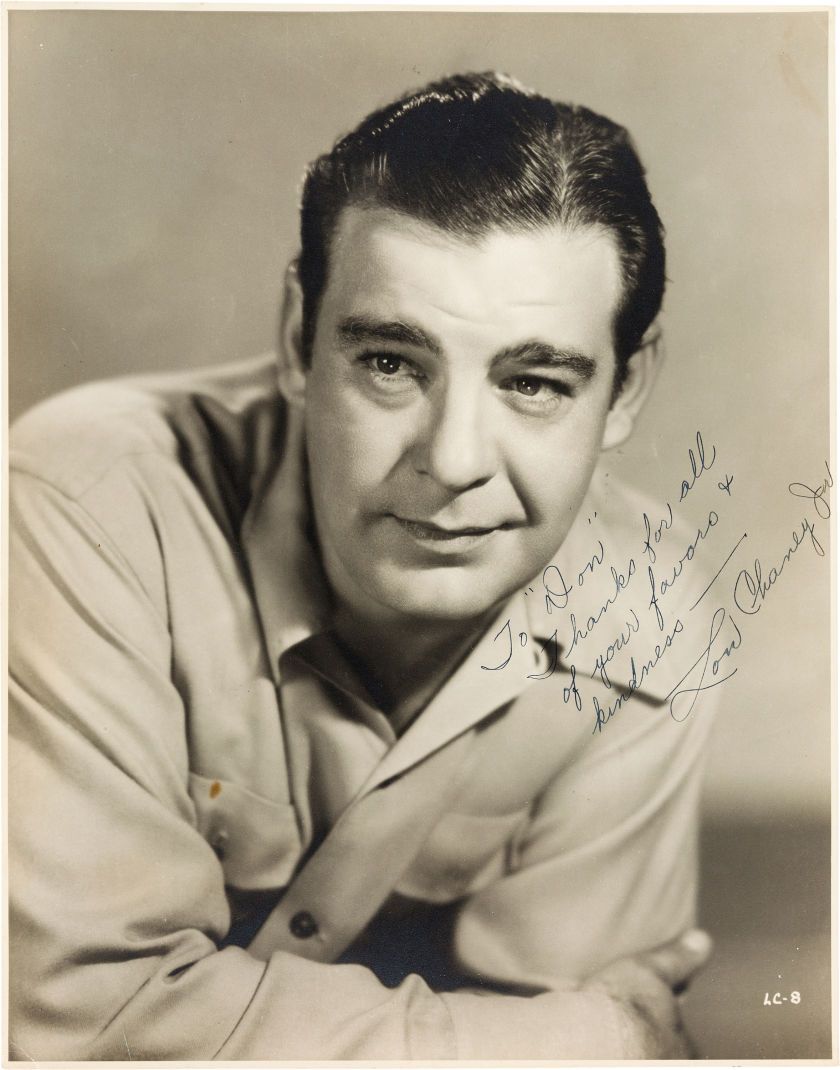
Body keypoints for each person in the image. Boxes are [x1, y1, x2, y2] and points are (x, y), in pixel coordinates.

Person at [9, 71, 718, 1060]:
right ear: (299, 340)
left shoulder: (648, 614)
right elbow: (81, 1023)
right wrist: (597, 1035)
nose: (455, 460)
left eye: (533, 382)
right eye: (391, 363)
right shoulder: (83, 502)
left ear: (626, 389)